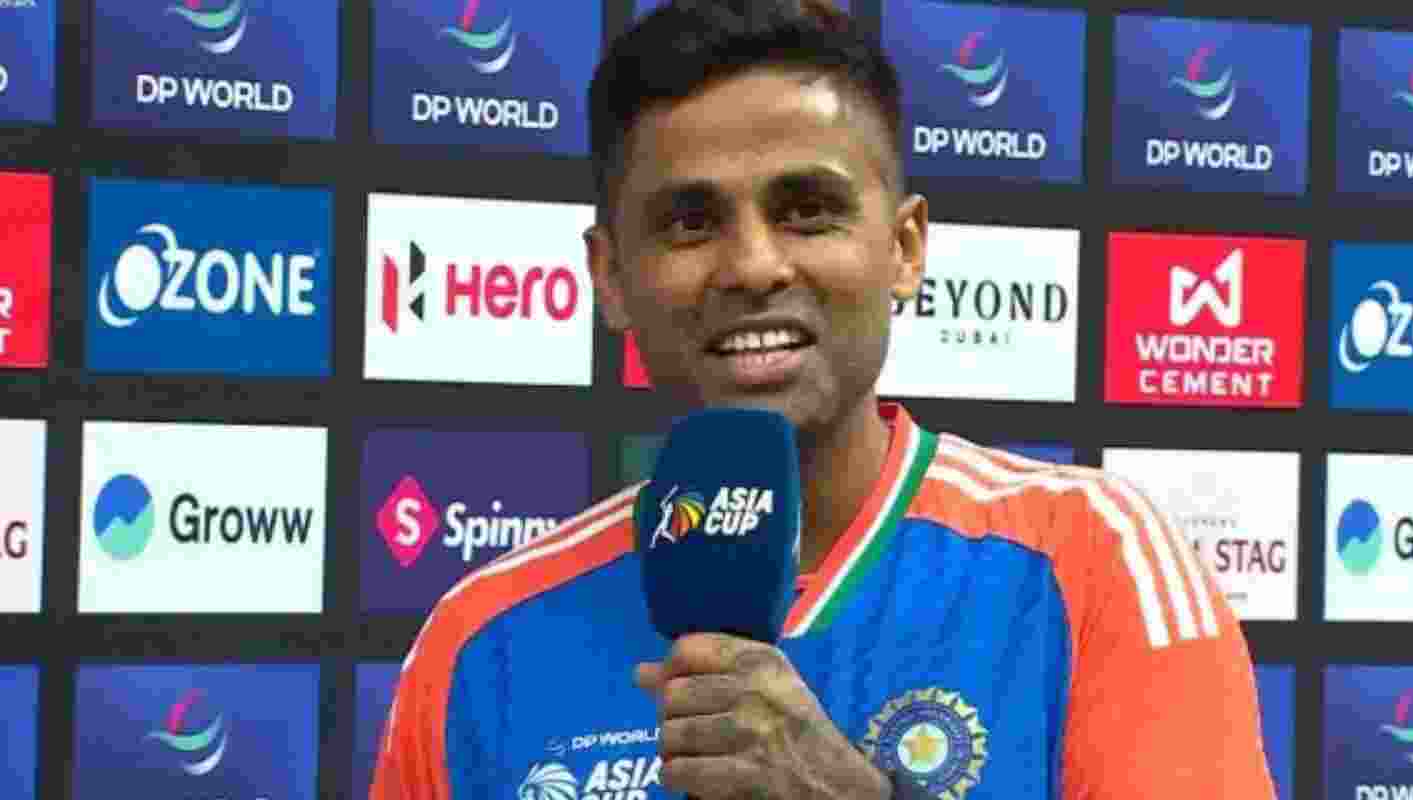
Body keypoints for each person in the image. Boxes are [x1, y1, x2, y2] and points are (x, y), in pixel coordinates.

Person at [370, 1, 1277, 798]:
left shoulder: (1090, 561)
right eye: (690, 222)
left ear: (905, 248)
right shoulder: (481, 641)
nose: (756, 265)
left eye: (807, 210)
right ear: (610, 276)